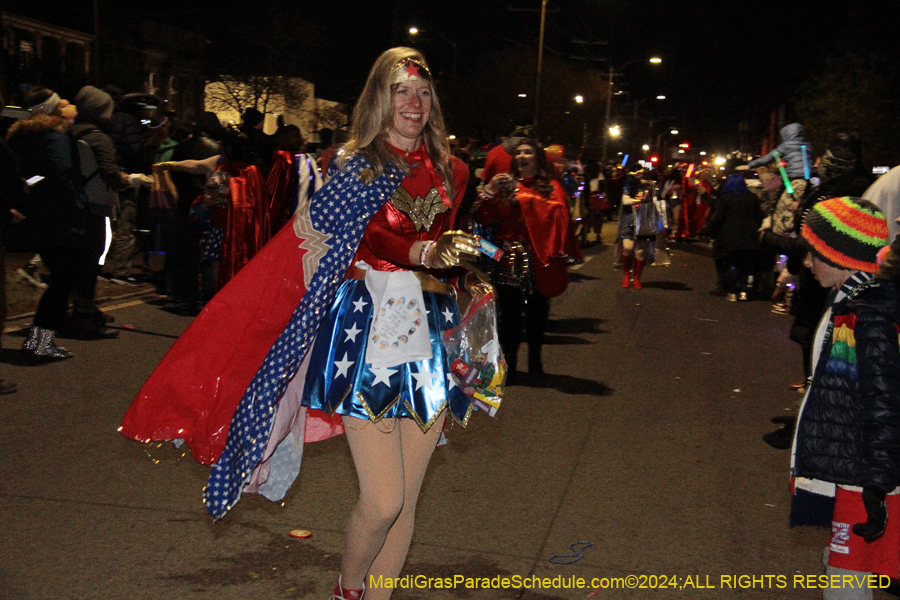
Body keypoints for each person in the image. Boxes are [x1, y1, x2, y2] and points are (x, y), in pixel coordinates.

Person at [120, 48, 489, 600]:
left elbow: (448, 245)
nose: (413, 103)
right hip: (368, 332)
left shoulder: (454, 170)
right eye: (400, 90)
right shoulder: (356, 164)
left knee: (408, 502)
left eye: (422, 91)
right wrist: (426, 249)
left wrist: (476, 264)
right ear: (379, 98)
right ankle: (348, 588)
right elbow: (367, 239)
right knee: (383, 500)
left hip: (432, 329)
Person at [789, 197, 899, 599]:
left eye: (814, 253)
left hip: (863, 478)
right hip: (854, 469)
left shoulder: (867, 314)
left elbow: (885, 403)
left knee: (845, 582)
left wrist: (876, 486)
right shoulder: (849, 302)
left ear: (840, 256)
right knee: (841, 573)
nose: (806, 262)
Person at [475, 138, 571, 380]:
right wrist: (490, 191)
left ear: (537, 159)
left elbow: (558, 212)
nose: (521, 156)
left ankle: (535, 363)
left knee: (537, 316)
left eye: (528, 152)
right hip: (507, 259)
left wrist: (526, 200)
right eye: (518, 152)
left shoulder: (551, 186)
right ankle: (510, 366)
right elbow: (482, 217)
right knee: (509, 318)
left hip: (539, 260)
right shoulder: (506, 186)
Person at [5, 87, 87, 360]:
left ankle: (40, 340)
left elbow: (26, 176)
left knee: (60, 277)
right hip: (58, 218)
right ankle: (40, 341)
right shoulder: (56, 136)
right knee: (64, 279)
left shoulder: (20, 136)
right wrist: (76, 203)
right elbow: (59, 171)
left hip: (34, 214)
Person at [700, 174, 764, 301]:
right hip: (749, 236)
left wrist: (706, 231)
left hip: (730, 235)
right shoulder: (752, 198)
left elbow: (718, 219)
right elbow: (760, 217)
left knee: (731, 263)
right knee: (745, 264)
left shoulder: (726, 199)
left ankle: (732, 291)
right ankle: (744, 291)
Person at [616, 174, 661, 289]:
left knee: (640, 251)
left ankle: (636, 278)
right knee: (627, 248)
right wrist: (637, 200)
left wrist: (649, 189)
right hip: (629, 221)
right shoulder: (629, 185)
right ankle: (627, 275)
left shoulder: (649, 187)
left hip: (644, 221)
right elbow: (625, 200)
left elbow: (655, 201)